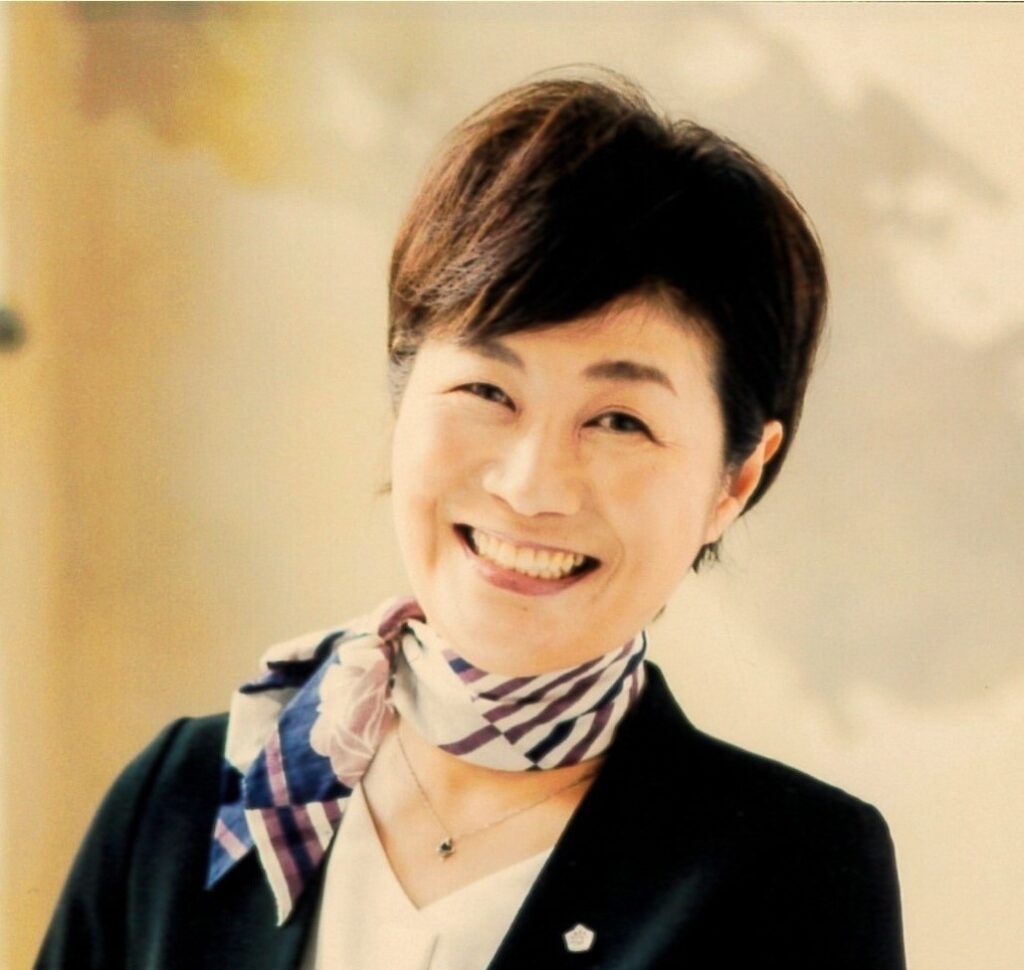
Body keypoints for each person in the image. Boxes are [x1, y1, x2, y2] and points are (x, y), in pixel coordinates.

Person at [36, 71, 905, 969]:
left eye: (619, 421)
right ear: (401, 395)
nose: (531, 487)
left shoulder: (796, 876)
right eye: (487, 391)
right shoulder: (182, 806)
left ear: (736, 479)